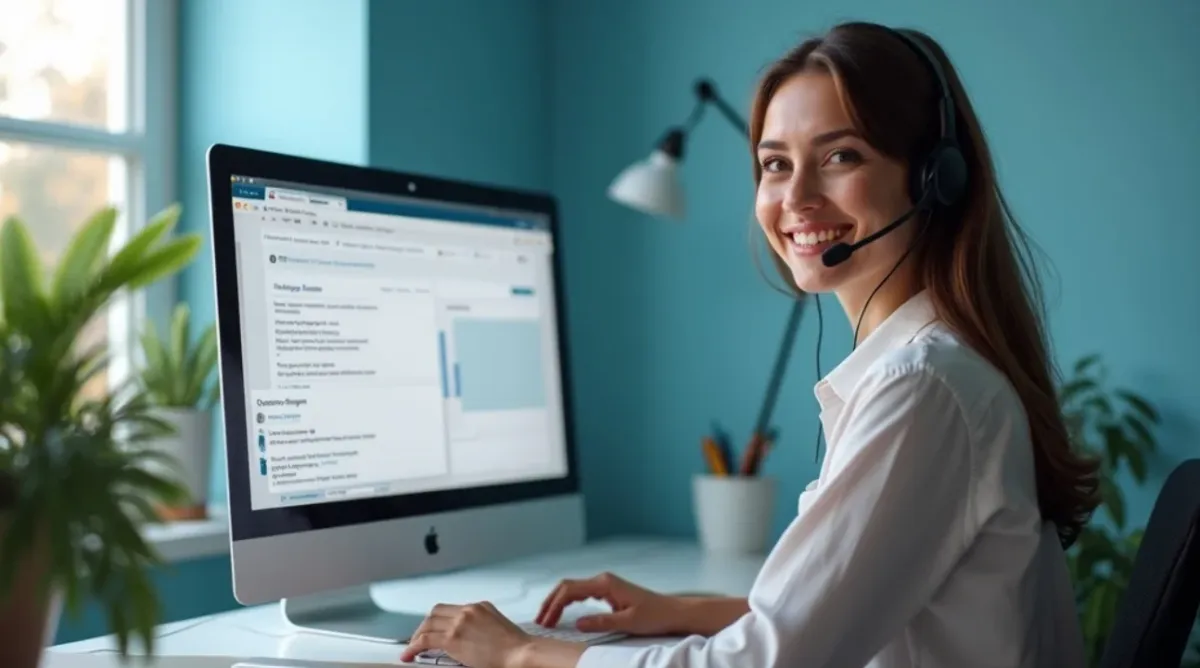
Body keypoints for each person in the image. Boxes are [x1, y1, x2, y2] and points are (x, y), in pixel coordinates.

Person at [399, 20, 1100, 668]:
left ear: (933, 179)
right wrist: (683, 611)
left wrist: (522, 656)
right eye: (774, 164)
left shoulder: (923, 389)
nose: (795, 198)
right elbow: (854, 610)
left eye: (840, 155)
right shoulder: (930, 369)